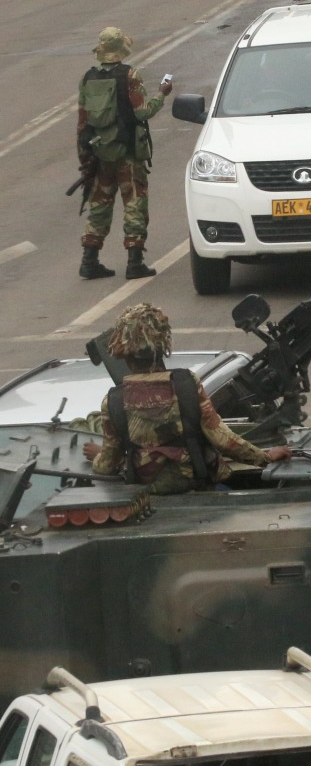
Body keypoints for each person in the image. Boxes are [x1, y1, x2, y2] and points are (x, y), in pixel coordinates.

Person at [82, 303, 291, 494]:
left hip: (151, 498)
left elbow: (107, 465)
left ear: (123, 353)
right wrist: (264, 457)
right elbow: (222, 438)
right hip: (199, 489)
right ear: (162, 346)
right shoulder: (186, 385)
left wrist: (98, 456)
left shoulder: (114, 401)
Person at [77, 27, 173, 281]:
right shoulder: (129, 75)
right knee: (134, 203)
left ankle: (89, 260)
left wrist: (85, 159)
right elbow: (142, 112)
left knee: (99, 204)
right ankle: (135, 262)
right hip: (128, 151)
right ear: (121, 50)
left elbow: (83, 122)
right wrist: (162, 95)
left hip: (100, 153)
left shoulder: (88, 79)